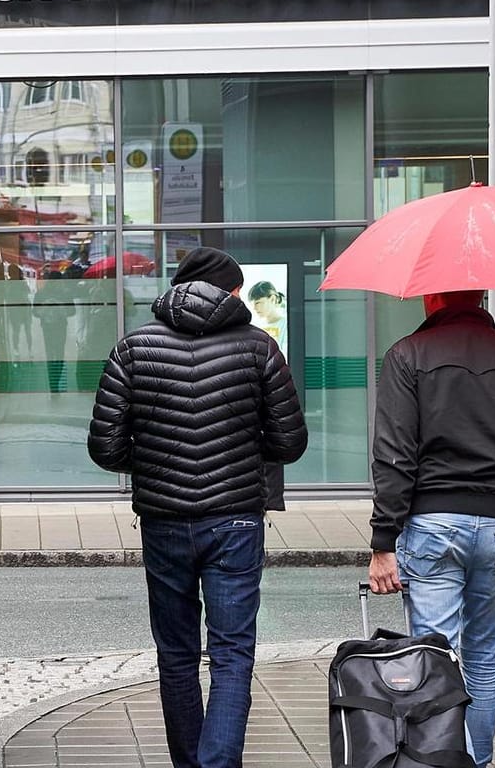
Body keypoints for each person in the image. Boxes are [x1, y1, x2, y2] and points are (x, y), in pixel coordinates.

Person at [88, 246, 307, 768]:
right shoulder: (260, 349)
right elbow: (290, 443)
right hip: (235, 517)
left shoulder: (133, 348)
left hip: (163, 520)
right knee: (232, 652)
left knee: (177, 654)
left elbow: (105, 447)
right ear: (230, 291)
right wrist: (244, 449)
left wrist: (153, 462)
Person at [366, 289, 495, 768]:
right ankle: (480, 762)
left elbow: (394, 455)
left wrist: (382, 540)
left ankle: (444, 761)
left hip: (432, 522)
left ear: (432, 298)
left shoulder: (407, 355)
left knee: (437, 656)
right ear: (479, 297)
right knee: (484, 656)